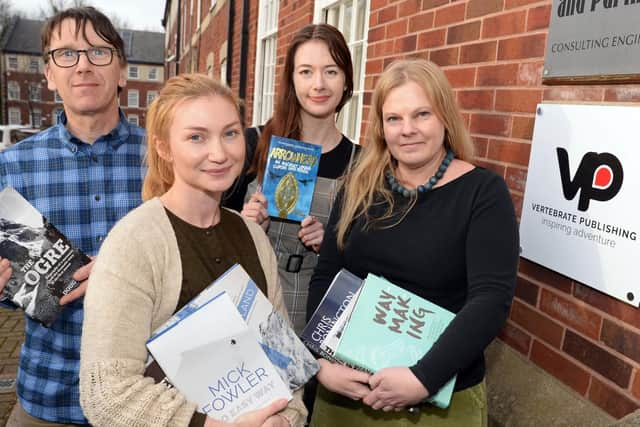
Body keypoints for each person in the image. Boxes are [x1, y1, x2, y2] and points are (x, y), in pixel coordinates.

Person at [78, 74, 306, 427]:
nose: (219, 153)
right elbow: (106, 394)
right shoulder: (134, 242)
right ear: (164, 147)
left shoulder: (254, 237)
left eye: (230, 133)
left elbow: (288, 367)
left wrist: (284, 420)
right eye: (197, 137)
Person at [306, 59, 520, 427]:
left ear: (445, 118)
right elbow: (326, 274)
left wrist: (423, 377)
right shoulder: (358, 185)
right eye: (394, 118)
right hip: (346, 392)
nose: (407, 130)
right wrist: (320, 361)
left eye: (422, 114)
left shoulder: (483, 193)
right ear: (381, 126)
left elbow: (491, 299)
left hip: (436, 401)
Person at [0, 7, 146, 426]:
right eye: (66, 54)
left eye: (99, 52)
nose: (82, 65)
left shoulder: (166, 157)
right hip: (49, 392)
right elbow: (15, 285)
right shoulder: (13, 167)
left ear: (121, 70)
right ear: (49, 74)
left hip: (144, 392)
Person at [235, 23, 359, 335]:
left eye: (331, 71)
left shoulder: (363, 164)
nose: (318, 84)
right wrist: (245, 225)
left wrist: (332, 245)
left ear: (346, 81)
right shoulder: (255, 143)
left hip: (326, 314)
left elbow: (375, 257)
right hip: (258, 304)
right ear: (291, 80)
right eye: (306, 72)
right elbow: (209, 225)